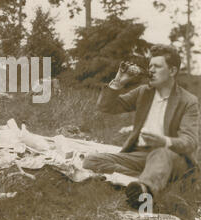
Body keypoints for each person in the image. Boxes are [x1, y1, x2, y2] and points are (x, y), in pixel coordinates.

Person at [83, 44, 199, 208]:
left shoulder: (188, 101)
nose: (150, 70)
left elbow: (190, 141)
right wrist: (118, 81)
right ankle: (146, 182)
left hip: (171, 157)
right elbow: (106, 107)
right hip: (139, 156)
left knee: (161, 154)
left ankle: (145, 191)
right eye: (150, 66)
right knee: (92, 160)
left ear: (172, 71)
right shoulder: (143, 92)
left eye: (157, 66)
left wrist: (164, 141)